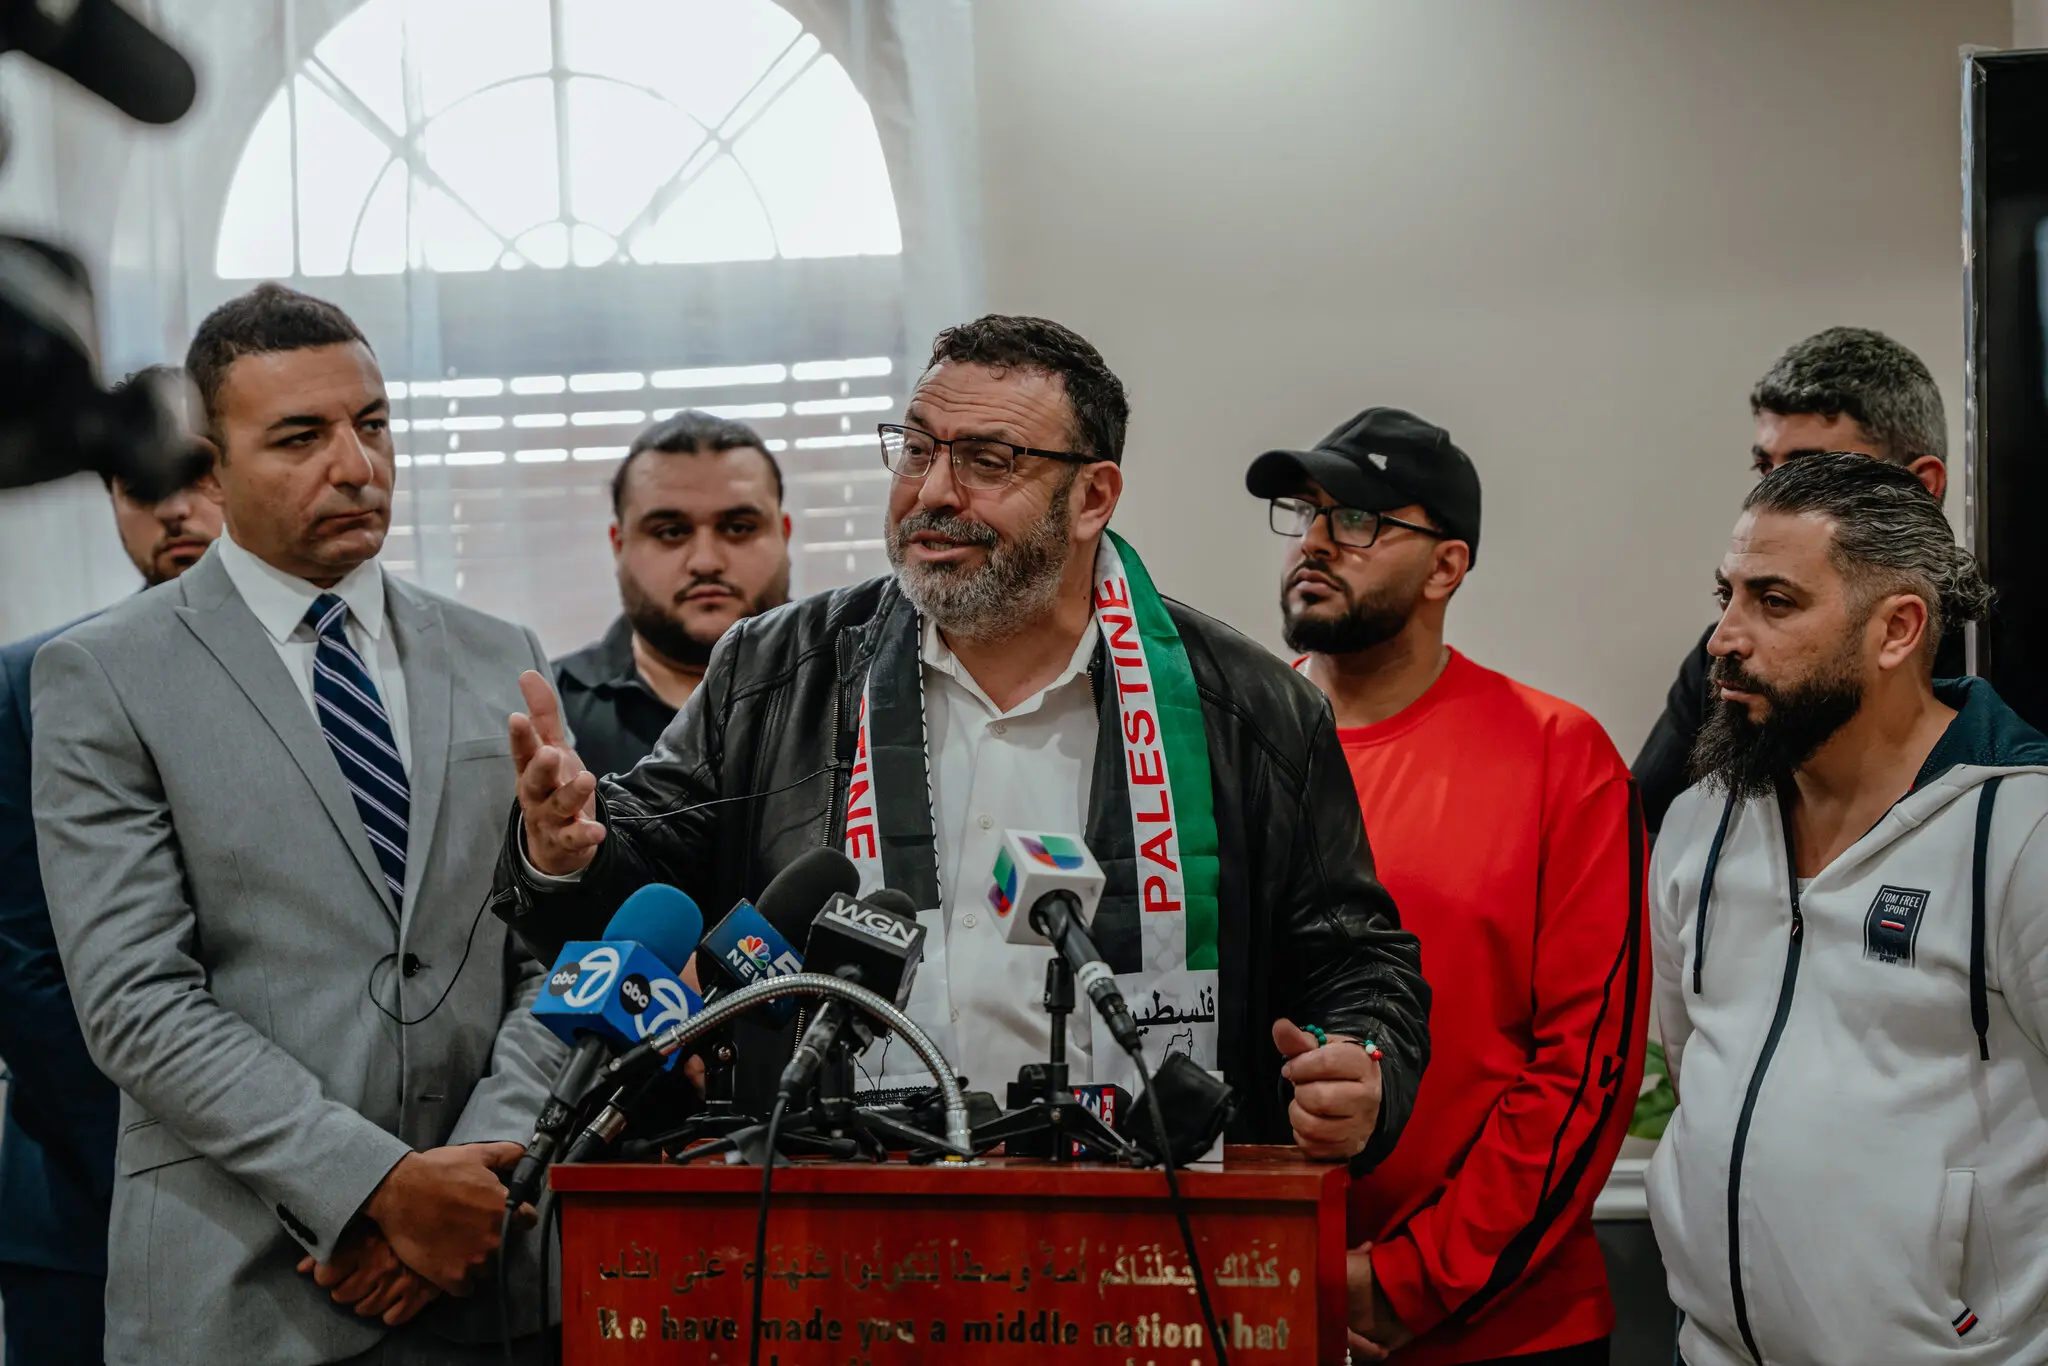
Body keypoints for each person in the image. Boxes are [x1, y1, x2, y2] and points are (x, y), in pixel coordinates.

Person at [494, 314, 1431, 1162]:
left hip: (1141, 1235)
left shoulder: (1252, 709)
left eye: (988, 460)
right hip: (834, 1224)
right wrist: (565, 850)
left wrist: (1366, 1065)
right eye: (916, 451)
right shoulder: (774, 670)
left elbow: (1357, 963)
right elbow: (637, 888)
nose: (933, 493)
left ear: (1092, 498)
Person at [30, 283, 565, 1366]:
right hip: (239, 1291)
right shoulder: (105, 675)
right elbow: (137, 1002)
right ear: (209, 465)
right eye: (300, 437)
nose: (356, 465)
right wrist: (375, 1189)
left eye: (371, 425)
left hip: (484, 1272)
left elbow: (552, 952)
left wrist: (467, 1183)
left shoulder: (492, 647)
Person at [1248, 408, 1646, 1365]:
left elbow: (1583, 1073)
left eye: (1359, 521)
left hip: (1505, 1331)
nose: (1314, 540)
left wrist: (1402, 1282)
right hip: (1265, 1307)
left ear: (1446, 566)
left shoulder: (1559, 756)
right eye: (1307, 514)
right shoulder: (1236, 749)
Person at [1649, 453, 2048, 1365]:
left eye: (1775, 602)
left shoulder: (2021, 830)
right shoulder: (1699, 823)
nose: (1724, 638)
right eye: (1727, 595)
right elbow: (1691, 1051)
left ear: (1898, 629)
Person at [0, 369, 224, 1366]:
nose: (174, 507)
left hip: (312, 1194)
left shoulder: (339, 679)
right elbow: (20, 954)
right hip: (80, 1186)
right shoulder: (28, 680)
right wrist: (157, 1165)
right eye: (142, 485)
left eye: (200, 473)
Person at [1633, 326, 1961, 839]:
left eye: (1814, 471)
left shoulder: (2007, 665)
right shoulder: (1724, 660)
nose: (1775, 496)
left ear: (1921, 486)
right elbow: (1641, 837)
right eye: (1765, 467)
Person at [552, 410, 792, 777]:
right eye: (670, 532)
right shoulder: (554, 722)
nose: (706, 561)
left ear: (784, 534)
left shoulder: (862, 690)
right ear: (619, 545)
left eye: (739, 527)